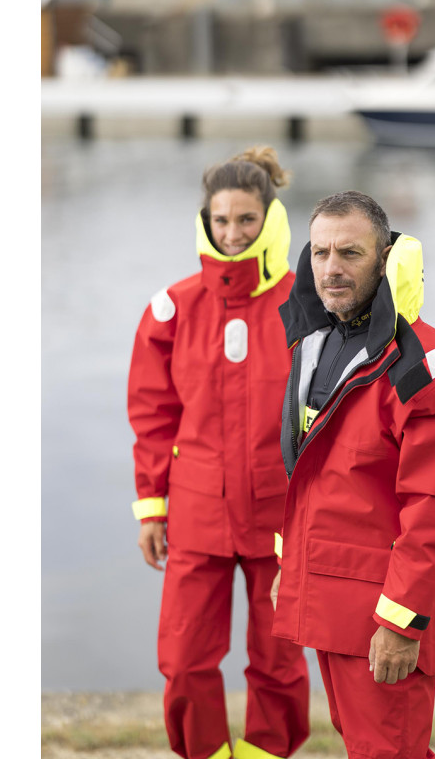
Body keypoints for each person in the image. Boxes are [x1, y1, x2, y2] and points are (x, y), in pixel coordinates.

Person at [271, 190, 435, 759]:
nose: (331, 269)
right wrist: (290, 566)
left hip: (380, 614)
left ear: (386, 257)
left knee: (387, 751)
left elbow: (434, 509)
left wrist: (401, 623)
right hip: (331, 596)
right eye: (320, 253)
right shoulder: (315, 346)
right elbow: (312, 478)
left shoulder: (423, 369)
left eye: (351, 253)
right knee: (368, 747)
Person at [128, 146, 310, 759]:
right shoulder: (171, 310)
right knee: (184, 659)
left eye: (247, 220)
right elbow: (153, 417)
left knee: (279, 661)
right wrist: (152, 508)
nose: (233, 233)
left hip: (279, 517)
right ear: (205, 220)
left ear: (270, 219)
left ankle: (266, 753)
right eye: (221, 220)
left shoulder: (305, 308)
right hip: (196, 512)